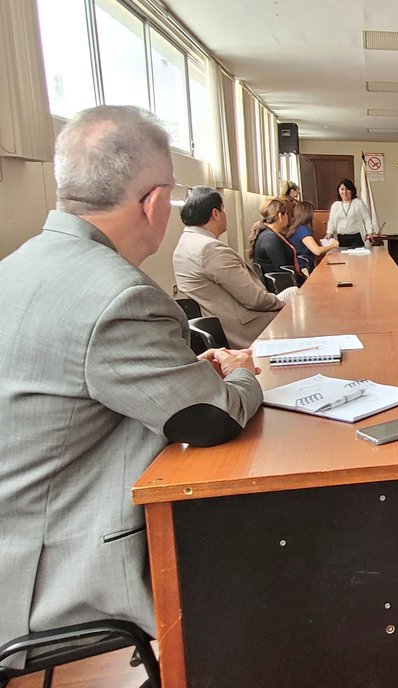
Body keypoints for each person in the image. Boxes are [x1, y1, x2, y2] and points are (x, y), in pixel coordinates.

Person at [0, 106, 263, 657]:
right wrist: (240, 377)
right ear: (152, 202)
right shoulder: (119, 294)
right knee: (266, 546)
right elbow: (212, 418)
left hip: (15, 532)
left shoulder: (18, 264)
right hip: (47, 572)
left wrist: (190, 373)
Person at [174, 186, 298, 349]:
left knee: (294, 294)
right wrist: (281, 303)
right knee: (297, 298)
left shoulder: (183, 244)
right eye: (224, 209)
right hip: (245, 329)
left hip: (223, 322)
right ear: (215, 213)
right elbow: (255, 300)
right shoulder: (210, 249)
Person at [250, 197, 303, 284]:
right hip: (284, 289)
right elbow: (285, 271)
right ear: (280, 216)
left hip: (288, 283)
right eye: (286, 214)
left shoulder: (270, 235)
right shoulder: (270, 239)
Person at [288, 199, 339, 273]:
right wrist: (333, 245)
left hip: (301, 265)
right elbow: (317, 251)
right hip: (304, 268)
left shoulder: (296, 228)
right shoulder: (303, 230)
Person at [326, 178, 375, 249]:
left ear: (352, 191)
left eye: (347, 189)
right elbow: (332, 221)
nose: (344, 192)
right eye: (342, 189)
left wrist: (369, 232)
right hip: (340, 238)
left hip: (356, 238)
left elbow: (367, 219)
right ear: (339, 191)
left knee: (356, 258)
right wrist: (329, 232)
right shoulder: (335, 205)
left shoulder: (358, 203)